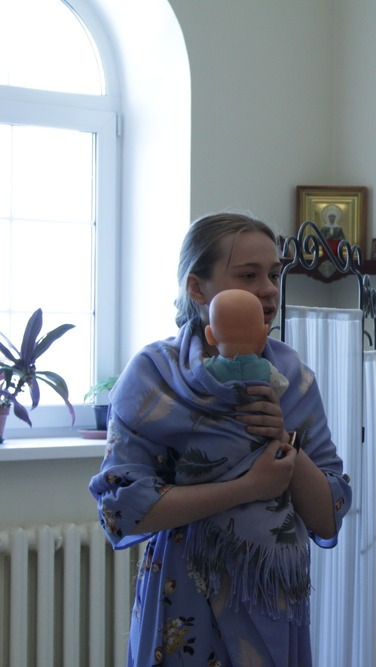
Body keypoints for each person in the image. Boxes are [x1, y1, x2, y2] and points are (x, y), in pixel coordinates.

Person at [89, 212, 352, 666]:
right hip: (187, 597)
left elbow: (328, 518)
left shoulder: (293, 378)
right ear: (197, 288)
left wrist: (282, 438)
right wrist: (248, 488)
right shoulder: (153, 376)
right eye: (249, 275)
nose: (269, 290)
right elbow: (122, 510)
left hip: (273, 599)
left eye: (274, 274)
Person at [203, 288, 288, 397]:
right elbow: (282, 388)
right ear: (263, 336)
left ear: (210, 335)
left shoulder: (205, 368)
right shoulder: (268, 371)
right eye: (248, 278)